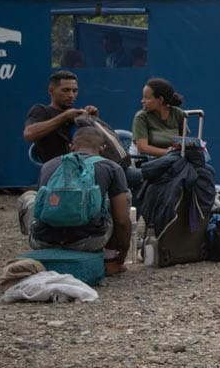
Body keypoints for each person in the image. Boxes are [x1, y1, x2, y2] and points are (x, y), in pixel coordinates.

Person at [17, 126, 132, 275]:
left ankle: (45, 242)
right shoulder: (111, 167)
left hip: (43, 241)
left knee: (29, 196)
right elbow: (122, 221)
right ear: (103, 148)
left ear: (71, 146)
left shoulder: (48, 166)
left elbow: (42, 206)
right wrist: (121, 255)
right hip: (89, 241)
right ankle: (110, 261)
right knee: (123, 197)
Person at [23, 70, 99, 165]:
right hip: (57, 171)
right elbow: (29, 134)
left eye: (75, 91)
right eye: (66, 90)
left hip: (84, 169)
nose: (71, 95)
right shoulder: (41, 110)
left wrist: (93, 121)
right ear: (51, 90)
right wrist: (64, 117)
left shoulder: (77, 116)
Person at [132, 77, 189, 158]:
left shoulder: (178, 113)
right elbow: (142, 148)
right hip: (146, 161)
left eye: (147, 98)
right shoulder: (141, 117)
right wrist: (171, 153)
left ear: (160, 100)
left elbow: (183, 142)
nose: (142, 101)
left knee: (206, 169)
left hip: (173, 161)